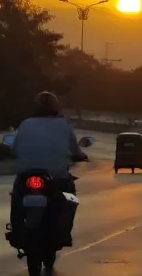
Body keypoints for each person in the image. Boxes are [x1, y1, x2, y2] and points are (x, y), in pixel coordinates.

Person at [11, 91, 86, 243]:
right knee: (70, 197)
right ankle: (65, 231)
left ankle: (16, 229)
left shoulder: (25, 123)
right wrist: (81, 156)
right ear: (56, 107)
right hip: (57, 175)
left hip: (26, 174)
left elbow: (14, 149)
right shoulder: (63, 125)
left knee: (16, 197)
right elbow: (76, 150)